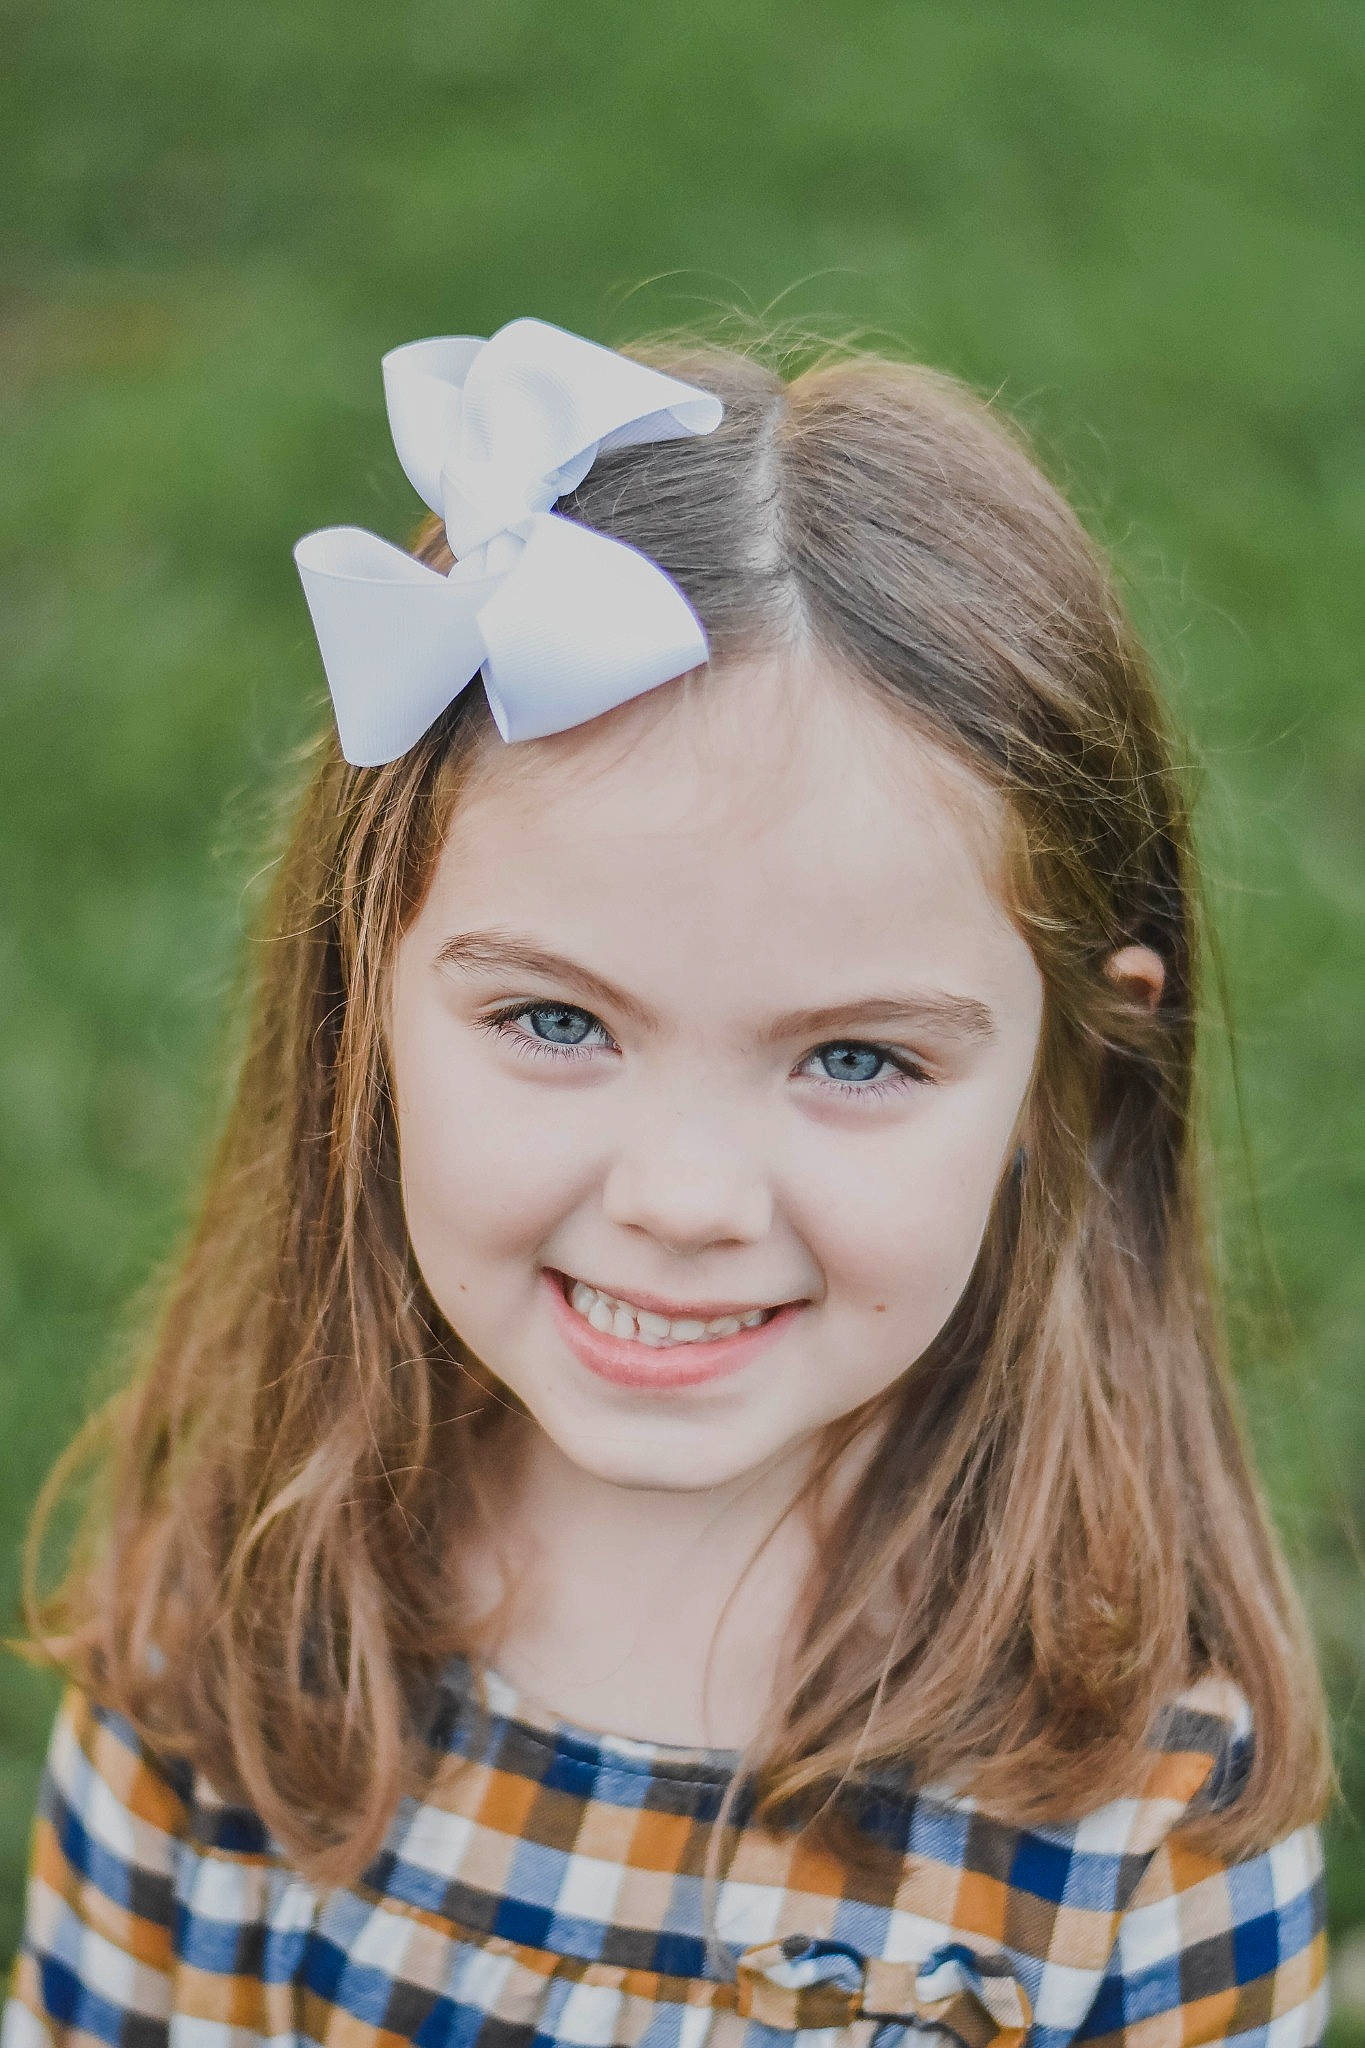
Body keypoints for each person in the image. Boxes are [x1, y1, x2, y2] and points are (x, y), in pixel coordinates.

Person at [2, 316, 1333, 2047]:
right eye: (556, 1019)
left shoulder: (1130, 1802)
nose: (687, 1197)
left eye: (856, 1058)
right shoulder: (251, 1616)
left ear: (1066, 1069)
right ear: (367, 1003)